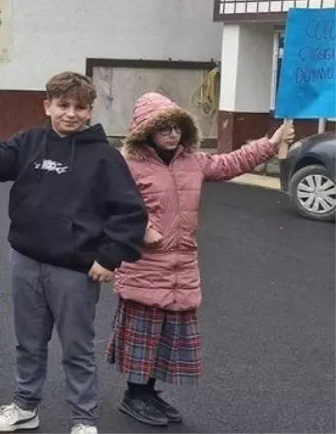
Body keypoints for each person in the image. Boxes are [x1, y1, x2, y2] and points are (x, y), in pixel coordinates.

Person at [0, 71, 148, 434]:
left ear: (90, 110)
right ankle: (24, 406)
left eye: (80, 107)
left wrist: (109, 257)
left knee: (76, 349)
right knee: (29, 342)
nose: (71, 113)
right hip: (25, 259)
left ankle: (84, 421)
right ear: (47, 106)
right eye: (63, 105)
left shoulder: (105, 158)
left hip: (74, 271)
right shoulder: (29, 142)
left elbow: (130, 213)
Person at [109, 93, 290, 427]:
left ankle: (148, 393)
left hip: (182, 266)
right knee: (143, 337)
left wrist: (270, 143)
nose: (172, 134)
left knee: (165, 338)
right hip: (144, 265)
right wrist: (140, 227)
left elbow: (230, 163)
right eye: (164, 128)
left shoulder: (192, 160)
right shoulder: (126, 163)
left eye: (177, 127)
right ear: (146, 131)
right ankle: (133, 395)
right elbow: (109, 205)